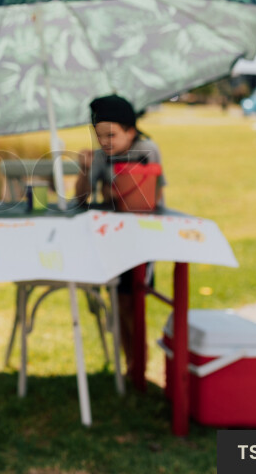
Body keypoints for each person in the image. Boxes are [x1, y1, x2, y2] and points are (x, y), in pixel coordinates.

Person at [74, 94, 166, 374]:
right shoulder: (102, 156)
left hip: (139, 241)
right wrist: (84, 171)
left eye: (111, 134)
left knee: (131, 302)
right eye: (99, 135)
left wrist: (118, 191)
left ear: (131, 131)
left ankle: (137, 365)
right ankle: (131, 363)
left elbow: (152, 197)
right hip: (111, 238)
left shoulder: (146, 150)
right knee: (117, 302)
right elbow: (79, 199)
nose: (105, 142)